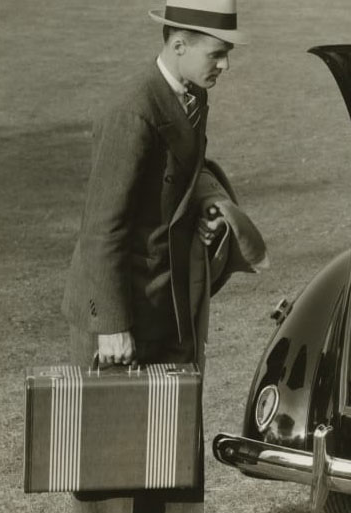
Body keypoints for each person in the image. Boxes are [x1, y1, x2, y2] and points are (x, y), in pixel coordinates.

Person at [61, 0, 260, 511]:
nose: (225, 65)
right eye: (217, 53)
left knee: (167, 462)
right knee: (111, 471)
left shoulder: (189, 94)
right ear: (179, 44)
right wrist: (111, 325)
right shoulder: (133, 110)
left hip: (168, 309)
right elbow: (101, 227)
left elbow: (189, 172)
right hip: (122, 315)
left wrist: (210, 203)